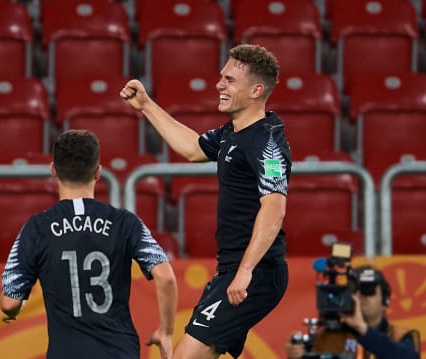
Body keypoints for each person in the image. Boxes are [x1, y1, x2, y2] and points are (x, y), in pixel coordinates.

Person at [120, 44, 291, 358]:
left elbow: (274, 209)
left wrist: (245, 271)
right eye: (221, 77)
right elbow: (192, 148)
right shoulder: (233, 132)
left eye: (229, 80)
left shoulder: (267, 143)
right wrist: (146, 105)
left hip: (257, 273)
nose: (219, 85)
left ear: (256, 90)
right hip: (230, 269)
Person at [0, 129, 178, 359]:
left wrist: (14, 310)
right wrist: (166, 332)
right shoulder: (125, 222)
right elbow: (166, 277)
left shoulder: (36, 228)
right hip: (120, 352)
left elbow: (10, 301)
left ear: (53, 169)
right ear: (98, 172)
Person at [285, 265, 421, 359]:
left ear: (385, 300)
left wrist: (362, 329)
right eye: (355, 292)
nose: (361, 297)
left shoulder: (402, 336)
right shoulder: (327, 336)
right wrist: (297, 356)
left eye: (369, 291)